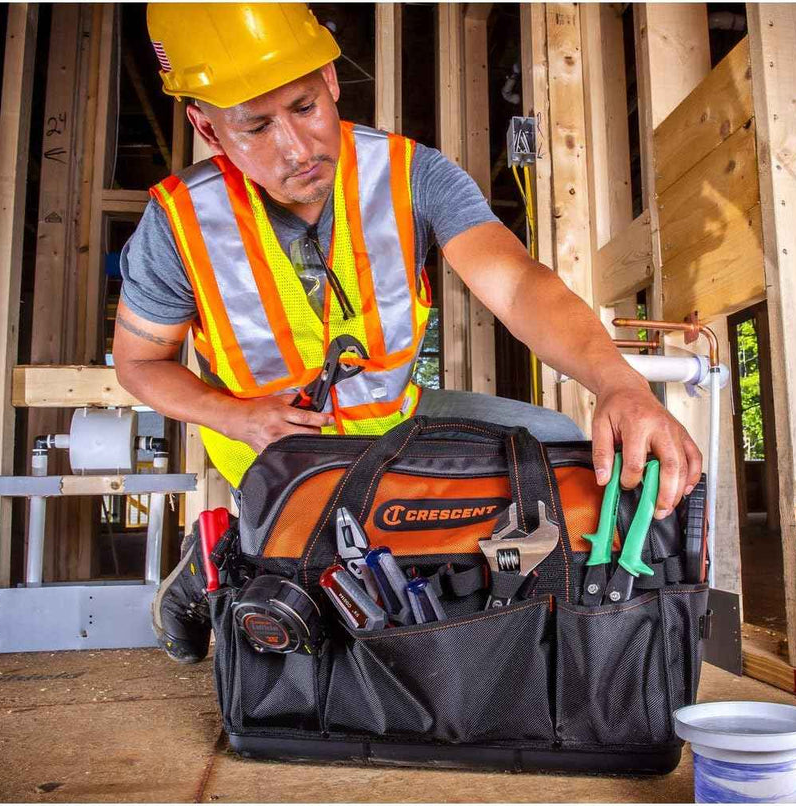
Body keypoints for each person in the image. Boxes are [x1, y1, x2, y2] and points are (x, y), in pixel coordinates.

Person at [118, 3, 702, 662]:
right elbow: (141, 362)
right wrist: (237, 416)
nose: (297, 147)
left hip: (397, 420)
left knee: (563, 453)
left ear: (332, 79)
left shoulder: (411, 175)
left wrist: (621, 385)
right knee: (319, 624)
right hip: (276, 455)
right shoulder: (179, 223)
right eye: (256, 126)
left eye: (305, 107)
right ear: (206, 127)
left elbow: (516, 284)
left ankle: (456, 589)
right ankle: (222, 553)